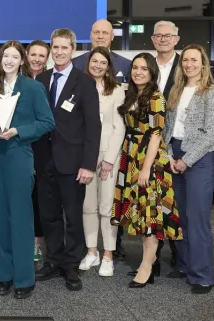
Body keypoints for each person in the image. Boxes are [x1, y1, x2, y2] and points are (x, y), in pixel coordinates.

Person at [0, 40, 55, 299]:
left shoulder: (34, 88)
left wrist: (19, 131)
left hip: (19, 154)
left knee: (21, 217)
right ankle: (2, 275)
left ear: (22, 60)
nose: (10, 60)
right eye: (6, 56)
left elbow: (47, 122)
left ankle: (24, 278)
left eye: (15, 56)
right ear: (1, 59)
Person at [34, 28, 100, 292]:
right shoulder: (41, 80)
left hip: (73, 163)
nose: (59, 52)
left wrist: (88, 164)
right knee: (49, 215)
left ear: (73, 49)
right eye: (55, 47)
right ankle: (53, 259)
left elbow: (93, 128)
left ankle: (71, 264)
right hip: (44, 160)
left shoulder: (84, 82)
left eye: (64, 47)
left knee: (72, 216)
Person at [112, 52, 180, 289]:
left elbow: (155, 135)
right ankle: (148, 261)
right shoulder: (133, 93)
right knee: (140, 213)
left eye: (144, 68)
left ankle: (147, 267)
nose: (138, 72)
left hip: (148, 160)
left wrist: (146, 168)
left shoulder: (156, 97)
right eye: (135, 67)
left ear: (152, 72)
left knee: (150, 215)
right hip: (131, 155)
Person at [163, 45, 214, 294]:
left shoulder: (213, 92)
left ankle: (202, 276)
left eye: (194, 60)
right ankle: (187, 265)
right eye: (185, 60)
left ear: (203, 64)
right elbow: (167, 128)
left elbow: (211, 134)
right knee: (182, 217)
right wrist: (169, 155)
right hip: (174, 154)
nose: (188, 64)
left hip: (199, 159)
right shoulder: (175, 90)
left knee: (198, 219)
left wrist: (186, 160)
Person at [78, 47, 126, 277]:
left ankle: (108, 254)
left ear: (108, 67)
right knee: (88, 206)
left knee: (107, 207)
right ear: (88, 63)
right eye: (94, 61)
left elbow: (119, 127)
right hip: (85, 156)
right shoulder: (79, 86)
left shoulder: (116, 90)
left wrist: (108, 159)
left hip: (108, 156)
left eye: (102, 62)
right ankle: (91, 251)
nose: (97, 65)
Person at [146, 20, 181, 266]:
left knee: (174, 201)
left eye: (168, 35)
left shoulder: (186, 65)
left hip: (175, 142)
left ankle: (180, 257)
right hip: (148, 142)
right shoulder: (145, 66)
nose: (163, 39)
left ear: (176, 39)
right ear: (153, 39)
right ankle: (152, 258)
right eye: (159, 35)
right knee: (153, 200)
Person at [22, 39, 50, 262]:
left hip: (42, 147)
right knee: (20, 198)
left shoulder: (49, 82)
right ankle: (20, 240)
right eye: (34, 54)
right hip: (18, 146)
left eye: (42, 55)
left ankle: (37, 243)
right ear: (26, 55)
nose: (37, 59)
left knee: (38, 198)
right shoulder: (15, 80)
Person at [72, 19, 132, 83]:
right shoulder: (74, 64)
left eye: (105, 33)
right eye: (96, 32)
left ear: (112, 36)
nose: (100, 36)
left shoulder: (126, 65)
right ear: (90, 36)